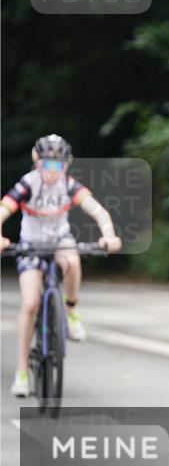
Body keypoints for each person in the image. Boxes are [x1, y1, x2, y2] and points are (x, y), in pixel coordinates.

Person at [0, 134, 122, 397]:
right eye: (46, 165)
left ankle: (71, 310)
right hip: (31, 245)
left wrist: (109, 236)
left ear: (66, 165)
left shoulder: (69, 186)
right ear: (37, 162)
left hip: (59, 241)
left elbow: (99, 211)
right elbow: (4, 208)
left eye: (57, 166)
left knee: (73, 259)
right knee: (30, 303)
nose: (51, 172)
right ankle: (22, 372)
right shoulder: (27, 184)